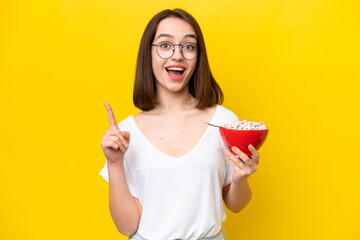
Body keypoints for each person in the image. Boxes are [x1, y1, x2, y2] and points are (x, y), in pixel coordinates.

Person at [99, 8, 260, 240]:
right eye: (165, 45)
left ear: (198, 57)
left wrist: (240, 178)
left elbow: (236, 204)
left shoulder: (224, 122)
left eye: (188, 46)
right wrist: (114, 163)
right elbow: (127, 227)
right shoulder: (127, 134)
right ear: (149, 54)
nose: (177, 55)